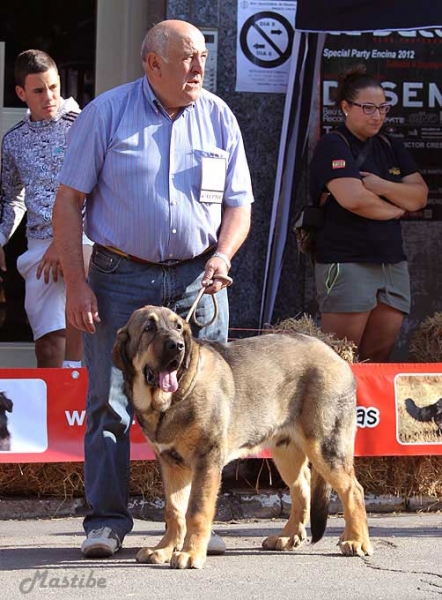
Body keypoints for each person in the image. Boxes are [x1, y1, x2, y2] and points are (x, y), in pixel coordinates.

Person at [52, 19, 253, 558]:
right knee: (110, 404)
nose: (199, 67)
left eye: (204, 56)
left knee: (206, 407)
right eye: (187, 56)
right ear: (152, 63)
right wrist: (77, 284)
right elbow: (68, 202)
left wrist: (223, 255)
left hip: (198, 281)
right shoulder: (106, 113)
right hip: (121, 279)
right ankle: (107, 524)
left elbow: (239, 204)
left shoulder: (219, 116)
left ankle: (193, 528)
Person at [309, 65, 428, 362]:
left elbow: (419, 196)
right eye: (368, 108)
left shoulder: (390, 144)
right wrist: (397, 208)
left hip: (391, 262)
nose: (377, 115)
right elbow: (354, 199)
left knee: (378, 356)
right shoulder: (334, 144)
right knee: (340, 358)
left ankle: (368, 410)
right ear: (346, 107)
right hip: (347, 260)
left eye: (383, 108)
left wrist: (380, 185)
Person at [0, 49, 92, 368]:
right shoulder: (13, 141)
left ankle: (82, 410)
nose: (49, 96)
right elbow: (13, 198)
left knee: (83, 328)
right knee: (49, 346)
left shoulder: (82, 125)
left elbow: (99, 191)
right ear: (21, 93)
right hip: (39, 246)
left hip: (86, 238)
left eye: (54, 87)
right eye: (39, 90)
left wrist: (63, 241)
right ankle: (53, 412)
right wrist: (1, 238)